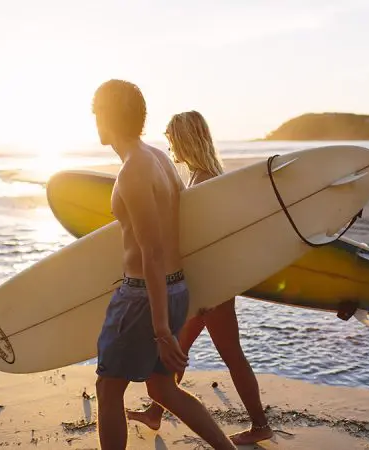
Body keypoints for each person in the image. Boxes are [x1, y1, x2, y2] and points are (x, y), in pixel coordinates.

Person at [91, 80, 236, 450]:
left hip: (142, 297)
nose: (94, 121)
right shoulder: (158, 158)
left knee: (108, 389)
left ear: (107, 116)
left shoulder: (133, 171)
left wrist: (160, 330)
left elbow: (151, 252)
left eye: (96, 113)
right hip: (174, 288)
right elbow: (183, 231)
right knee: (162, 389)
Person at [127, 110, 274, 446]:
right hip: (203, 287)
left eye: (172, 140)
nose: (170, 148)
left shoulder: (207, 180)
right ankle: (155, 412)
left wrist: (208, 294)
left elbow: (213, 241)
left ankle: (261, 425)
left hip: (212, 289)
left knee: (231, 355)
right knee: (177, 350)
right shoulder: (198, 176)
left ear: (185, 140)